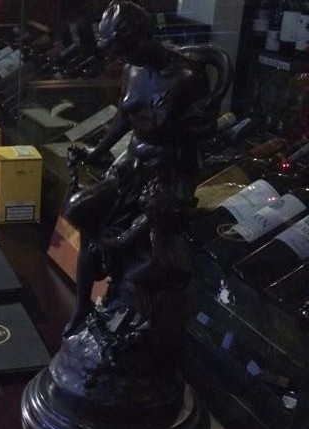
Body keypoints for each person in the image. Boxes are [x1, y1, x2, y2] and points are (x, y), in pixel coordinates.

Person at [62, 0, 231, 334]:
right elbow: (124, 119)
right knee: (78, 209)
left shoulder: (186, 75)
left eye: (126, 49)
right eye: (119, 53)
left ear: (144, 36)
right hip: (131, 164)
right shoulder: (132, 70)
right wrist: (96, 152)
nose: (123, 58)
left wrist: (179, 189)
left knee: (132, 243)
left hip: (166, 173)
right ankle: (82, 305)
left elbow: (201, 135)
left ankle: (122, 295)